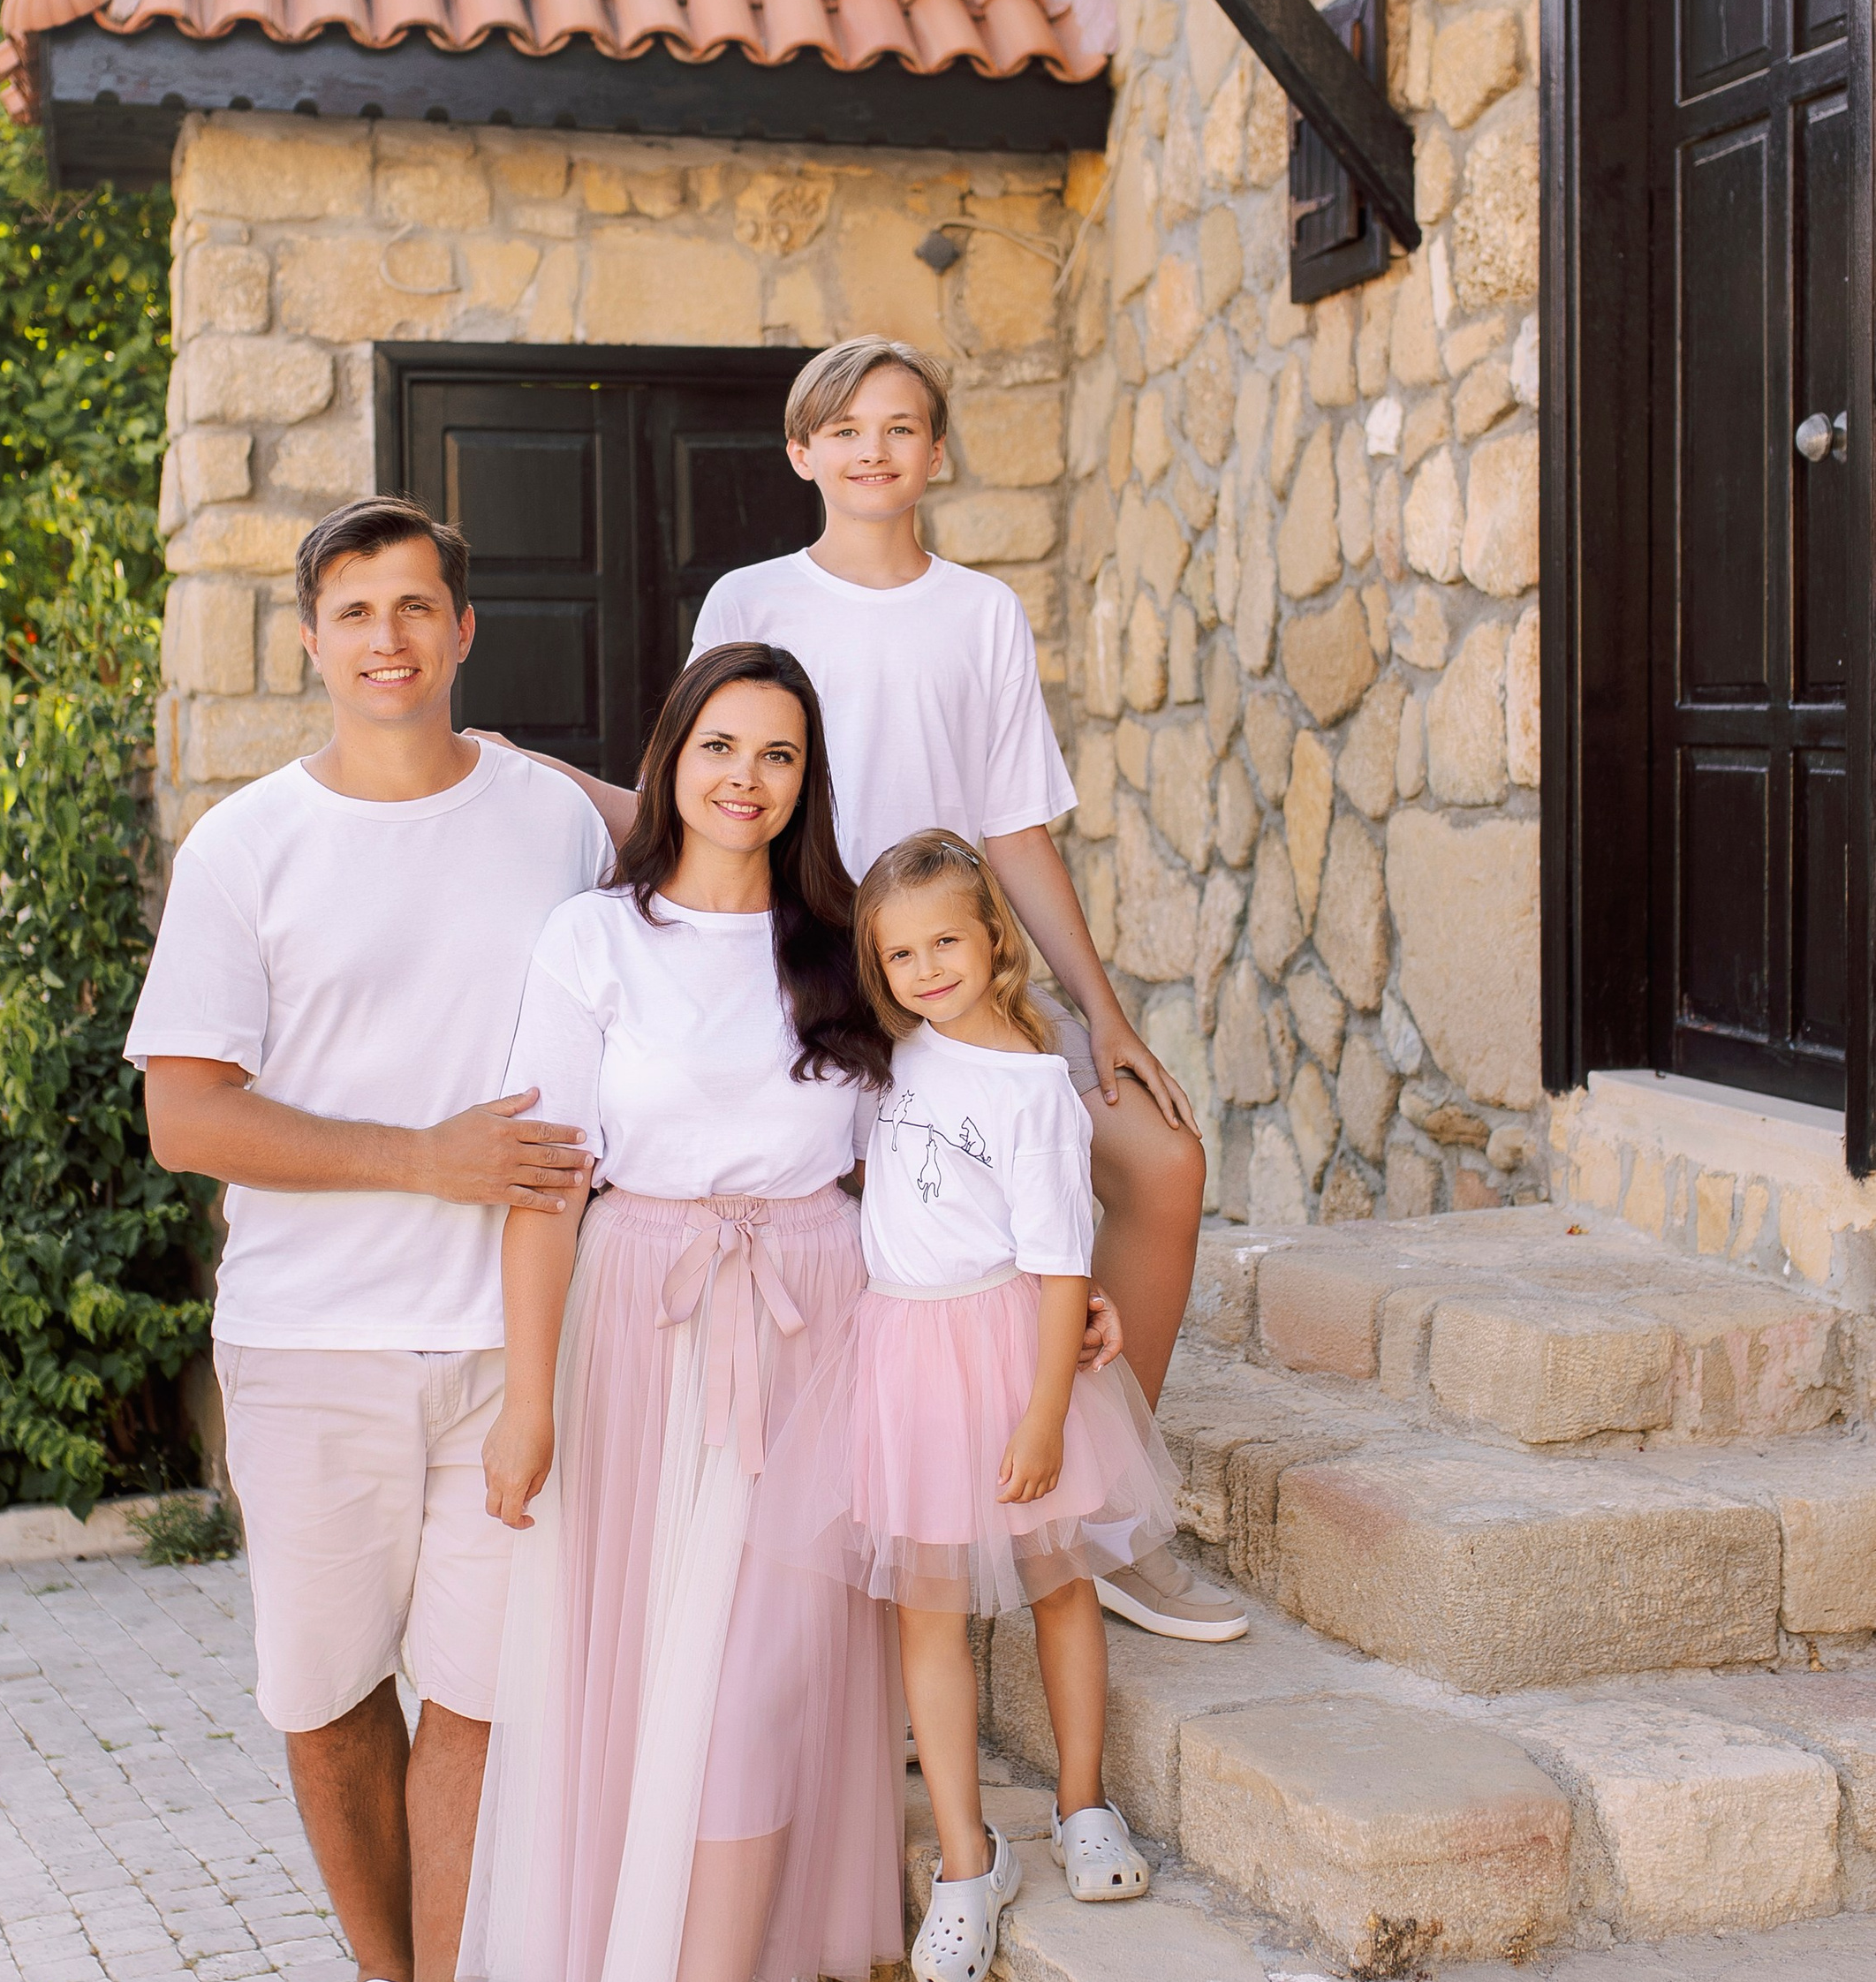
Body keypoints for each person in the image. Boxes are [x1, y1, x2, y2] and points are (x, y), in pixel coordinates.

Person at [555, 336, 1240, 1642]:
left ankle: (1102, 1519)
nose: (875, 446)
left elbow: (1019, 825)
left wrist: (1102, 1011)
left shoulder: (979, 610)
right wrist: (541, 776)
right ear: (803, 451)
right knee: (898, 1260)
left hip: (957, 986)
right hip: (817, 983)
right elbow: (708, 788)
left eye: (904, 424)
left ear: (936, 452)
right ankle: (895, 1583)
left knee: (1161, 1166)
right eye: (846, 425)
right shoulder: (751, 597)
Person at [130, 496, 609, 1982]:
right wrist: (428, 1160)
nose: (387, 638)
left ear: (464, 631)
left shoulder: (561, 814)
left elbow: (735, 866)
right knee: (331, 1696)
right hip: (308, 1341)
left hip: (512, 1349)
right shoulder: (245, 847)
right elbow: (187, 1120)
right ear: (311, 641)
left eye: (416, 607)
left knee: (478, 1700)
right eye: (355, 611)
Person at [463, 643, 903, 1982]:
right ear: (671, 758)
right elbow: (545, 1188)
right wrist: (527, 1401)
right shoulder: (596, 938)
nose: (746, 778)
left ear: (806, 779)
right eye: (721, 746)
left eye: (778, 755)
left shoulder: (845, 949)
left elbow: (922, 1152)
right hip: (641, 1324)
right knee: (654, 1678)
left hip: (819, 1322)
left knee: (764, 1679)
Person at [758, 828, 1179, 1980]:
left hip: (1010, 1355)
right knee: (928, 1615)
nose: (926, 967)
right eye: (899, 954)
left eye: (946, 939)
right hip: (900, 1358)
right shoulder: (893, 1061)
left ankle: (1085, 1805)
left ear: (995, 938)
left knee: (1058, 1584)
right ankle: (964, 1859)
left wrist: (1046, 1412)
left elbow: (1055, 1263)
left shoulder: (1036, 1087)